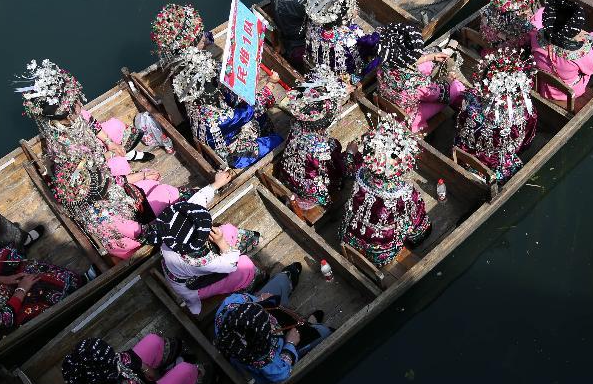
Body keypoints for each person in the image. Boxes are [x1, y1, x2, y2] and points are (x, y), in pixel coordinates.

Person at [15, 59, 166, 172]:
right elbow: (84, 166)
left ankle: (125, 153)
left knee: (115, 125)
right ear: (68, 115)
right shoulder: (61, 143)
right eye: (75, 103)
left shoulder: (76, 115)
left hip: (93, 144)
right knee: (120, 166)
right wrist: (110, 154)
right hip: (90, 163)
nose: (80, 103)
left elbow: (92, 123)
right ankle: (127, 157)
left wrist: (109, 142)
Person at [147, 173, 264, 316]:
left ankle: (239, 245)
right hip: (193, 285)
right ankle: (247, 281)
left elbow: (198, 200)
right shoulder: (198, 261)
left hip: (180, 269)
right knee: (244, 266)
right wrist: (221, 242)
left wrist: (216, 184)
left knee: (226, 230)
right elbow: (230, 265)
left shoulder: (174, 227)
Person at [214, 262, 331, 384]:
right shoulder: (263, 360)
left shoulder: (230, 307)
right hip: (284, 343)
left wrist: (260, 300)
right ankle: (312, 325)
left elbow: (247, 300)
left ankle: (289, 276)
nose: (271, 321)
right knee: (324, 332)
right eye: (269, 324)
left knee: (282, 280)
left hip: (260, 312)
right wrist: (290, 344)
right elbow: (281, 373)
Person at [340, 114, 430, 267]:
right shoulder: (404, 194)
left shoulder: (360, 173)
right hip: (379, 253)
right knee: (419, 225)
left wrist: (349, 154)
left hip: (349, 237)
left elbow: (349, 167)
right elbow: (415, 223)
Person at [171, 47, 282, 169]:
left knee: (259, 115)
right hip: (231, 153)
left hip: (221, 136)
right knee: (276, 140)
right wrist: (270, 85)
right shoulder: (217, 118)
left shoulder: (191, 100)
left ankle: (264, 134)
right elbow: (247, 112)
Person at [62, 335, 210, 384]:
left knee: (153, 341)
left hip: (130, 382)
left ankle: (170, 364)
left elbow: (118, 360)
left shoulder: (82, 377)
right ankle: (201, 378)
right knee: (186, 371)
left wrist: (142, 367)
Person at [454, 48, 538, 182]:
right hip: (497, 164)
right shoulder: (525, 113)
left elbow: (460, 121)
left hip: (465, 154)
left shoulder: (470, 100)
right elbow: (524, 141)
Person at [280, 65, 354, 210]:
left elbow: (319, 97)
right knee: (337, 152)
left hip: (288, 173)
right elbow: (336, 171)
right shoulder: (319, 147)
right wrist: (350, 155)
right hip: (309, 189)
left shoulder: (299, 122)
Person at [376, 23, 465, 133]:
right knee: (457, 88)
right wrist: (449, 79)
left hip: (388, 100)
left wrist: (431, 57)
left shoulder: (384, 60)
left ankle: (446, 51)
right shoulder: (419, 83)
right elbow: (441, 95)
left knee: (427, 63)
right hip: (406, 115)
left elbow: (407, 61)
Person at [530, 0, 593, 104]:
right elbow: (592, 68)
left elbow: (539, 17)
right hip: (566, 93)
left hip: (544, 86)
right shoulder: (580, 55)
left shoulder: (535, 37)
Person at [301, 0, 368, 81]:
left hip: (319, 63)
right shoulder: (348, 37)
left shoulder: (313, 24)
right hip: (343, 72)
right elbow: (363, 50)